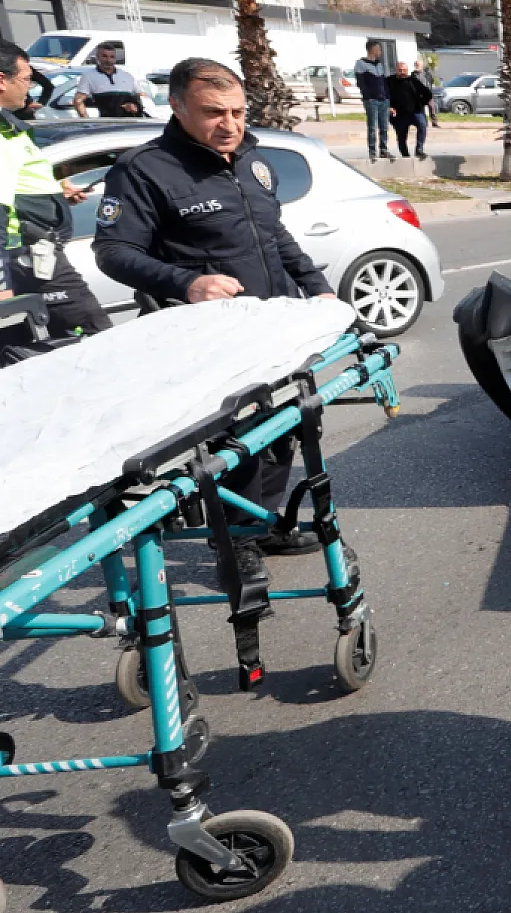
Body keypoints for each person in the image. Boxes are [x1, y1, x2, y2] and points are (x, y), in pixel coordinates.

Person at [93, 57, 335, 687]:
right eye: (213, 113)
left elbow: (275, 236)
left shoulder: (253, 160)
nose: (229, 125)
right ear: (178, 107)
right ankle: (238, 543)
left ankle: (264, 524)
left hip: (275, 328)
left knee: (286, 430)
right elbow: (113, 251)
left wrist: (317, 288)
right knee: (235, 449)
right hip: (208, 342)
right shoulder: (145, 170)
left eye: (237, 112)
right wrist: (186, 282)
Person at [0, 41, 110, 341]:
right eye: (26, 79)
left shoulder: (9, 128)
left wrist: (54, 195)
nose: (30, 88)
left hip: (30, 257)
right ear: (2, 80)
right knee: (97, 338)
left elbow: (15, 184)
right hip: (28, 257)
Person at [73, 42, 145, 118]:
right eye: (104, 56)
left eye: (112, 57)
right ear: (97, 57)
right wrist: (87, 120)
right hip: (106, 122)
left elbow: (142, 97)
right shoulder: (89, 76)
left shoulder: (127, 76)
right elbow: (78, 100)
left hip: (129, 122)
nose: (108, 60)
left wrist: (135, 107)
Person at [353, 41, 392, 161]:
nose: (380, 51)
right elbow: (361, 82)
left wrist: (387, 96)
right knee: (373, 127)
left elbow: (384, 82)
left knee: (384, 127)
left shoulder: (379, 64)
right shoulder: (361, 64)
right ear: (371, 49)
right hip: (372, 100)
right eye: (378, 49)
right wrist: (368, 96)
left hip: (383, 99)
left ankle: (384, 150)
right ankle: (372, 152)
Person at [389, 62, 432, 159]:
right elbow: (384, 96)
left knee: (422, 125)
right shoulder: (390, 81)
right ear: (396, 70)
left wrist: (421, 103)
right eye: (400, 70)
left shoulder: (413, 81)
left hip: (415, 111)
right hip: (400, 114)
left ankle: (419, 150)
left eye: (404, 70)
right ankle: (405, 156)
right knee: (401, 136)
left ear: (407, 71)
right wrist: (389, 107)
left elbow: (428, 94)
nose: (402, 72)